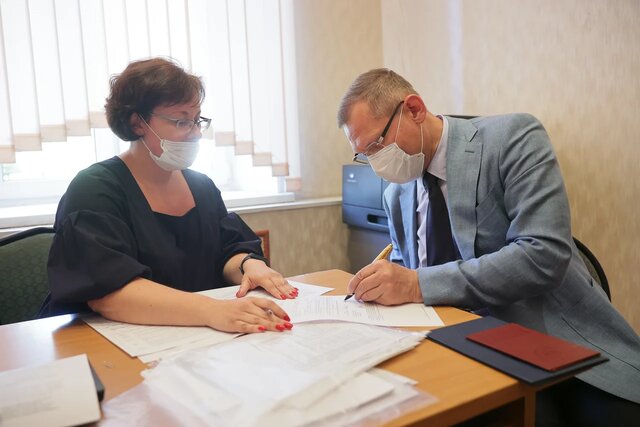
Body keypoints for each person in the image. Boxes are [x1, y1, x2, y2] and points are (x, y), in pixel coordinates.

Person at [337, 68, 640, 425]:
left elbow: (543, 254)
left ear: (415, 109)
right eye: (365, 155)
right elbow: (405, 277)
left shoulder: (513, 138)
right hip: (460, 349)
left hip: (553, 341)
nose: (376, 164)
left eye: (377, 145)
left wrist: (416, 284)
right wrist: (386, 286)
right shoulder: (396, 195)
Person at [40, 57, 297, 334]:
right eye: (182, 121)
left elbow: (227, 251)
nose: (196, 133)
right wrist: (213, 311)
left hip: (189, 334)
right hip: (102, 338)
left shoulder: (201, 187)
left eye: (197, 121)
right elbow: (109, 292)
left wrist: (249, 265)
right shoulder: (94, 189)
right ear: (137, 123)